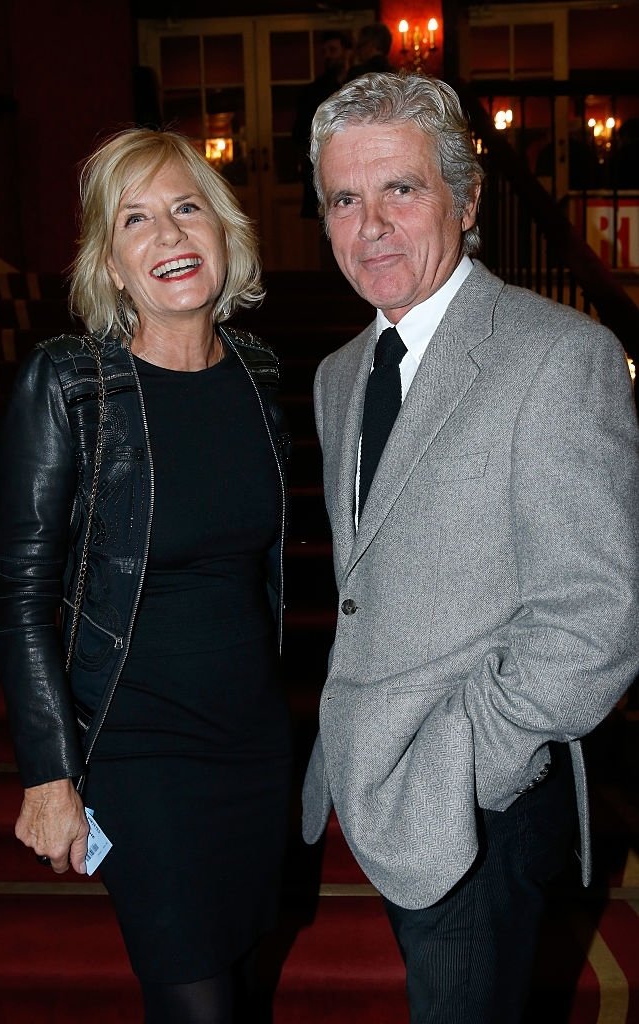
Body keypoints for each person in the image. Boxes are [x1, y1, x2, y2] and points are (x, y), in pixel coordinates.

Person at [300, 72, 639, 1023]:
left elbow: (598, 618)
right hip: (375, 785)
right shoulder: (338, 375)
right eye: (343, 198)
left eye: (399, 189)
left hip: (485, 804)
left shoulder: (557, 356)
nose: (369, 224)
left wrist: (459, 766)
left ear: (467, 197)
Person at [0, 127, 293, 1024]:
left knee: (243, 987)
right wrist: (50, 774)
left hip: (253, 744)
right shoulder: (68, 384)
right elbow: (21, 594)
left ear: (224, 233)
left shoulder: (262, 375)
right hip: (137, 750)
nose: (168, 235)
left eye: (186, 208)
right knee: (195, 1002)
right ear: (111, 265)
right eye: (137, 220)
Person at [292, 30, 352, 219]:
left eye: (333, 50)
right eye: (325, 51)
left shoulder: (358, 84)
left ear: (347, 51)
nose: (328, 56)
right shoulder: (313, 92)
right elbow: (299, 134)